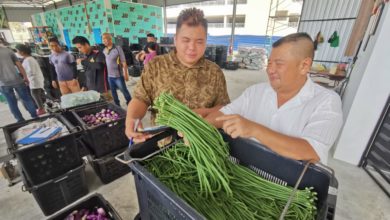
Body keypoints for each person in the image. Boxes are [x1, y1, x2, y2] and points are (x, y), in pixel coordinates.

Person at [205, 33, 343, 165]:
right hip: (248, 172)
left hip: (289, 184)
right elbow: (224, 114)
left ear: (304, 66)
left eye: (279, 63)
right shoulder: (255, 92)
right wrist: (198, 127)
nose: (270, 70)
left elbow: (311, 150)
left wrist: (254, 129)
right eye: (269, 63)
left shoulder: (326, 102)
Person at [125, 8, 230, 142]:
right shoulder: (156, 66)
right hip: (163, 147)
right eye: (186, 40)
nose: (192, 47)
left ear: (206, 42)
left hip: (202, 144)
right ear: (175, 40)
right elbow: (140, 98)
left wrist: (201, 115)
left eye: (199, 41)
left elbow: (224, 107)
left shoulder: (214, 72)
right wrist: (131, 119)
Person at [0, 38, 38, 122]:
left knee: (11, 102)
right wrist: (25, 77)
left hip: (3, 83)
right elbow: (19, 65)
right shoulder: (8, 51)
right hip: (17, 80)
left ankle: (20, 120)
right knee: (27, 99)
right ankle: (35, 116)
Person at [72, 36, 112, 100]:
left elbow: (100, 66)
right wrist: (85, 86)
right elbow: (87, 73)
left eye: (80, 47)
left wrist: (83, 62)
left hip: (103, 90)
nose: (79, 50)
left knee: (109, 108)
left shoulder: (98, 53)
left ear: (86, 44)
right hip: (92, 90)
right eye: (78, 48)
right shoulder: (86, 56)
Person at [102, 33, 132, 106]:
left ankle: (130, 103)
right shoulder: (104, 50)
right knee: (113, 92)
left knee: (124, 90)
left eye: (105, 39)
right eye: (102, 39)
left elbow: (124, 62)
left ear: (110, 39)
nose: (103, 41)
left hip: (118, 75)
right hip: (109, 76)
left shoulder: (118, 48)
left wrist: (126, 74)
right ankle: (117, 105)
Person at [15, 44, 46, 115]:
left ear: (22, 52)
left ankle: (41, 109)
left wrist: (25, 76)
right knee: (37, 94)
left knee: (35, 94)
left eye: (17, 51)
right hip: (33, 80)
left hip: (34, 80)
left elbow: (31, 71)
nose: (17, 53)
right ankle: (41, 107)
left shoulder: (29, 60)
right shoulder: (28, 59)